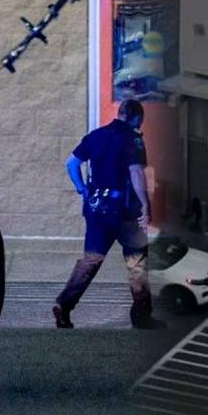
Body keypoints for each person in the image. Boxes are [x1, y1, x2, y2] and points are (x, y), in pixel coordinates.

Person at [54, 99, 164, 330]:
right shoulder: (133, 138)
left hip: (96, 210)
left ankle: (64, 305)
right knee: (137, 261)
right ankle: (142, 317)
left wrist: (81, 188)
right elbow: (136, 173)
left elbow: (71, 164)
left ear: (120, 113)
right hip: (124, 212)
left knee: (91, 259)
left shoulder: (96, 135)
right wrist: (145, 205)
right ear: (136, 118)